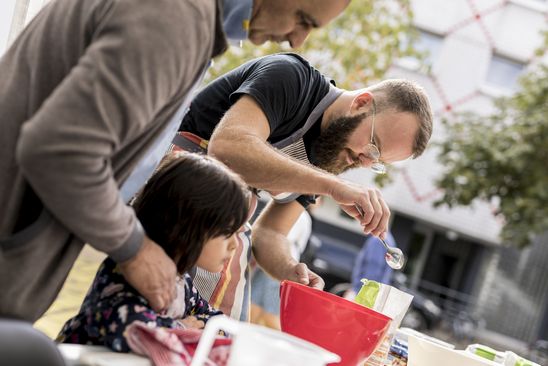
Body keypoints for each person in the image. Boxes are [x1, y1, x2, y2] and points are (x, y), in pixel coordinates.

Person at [0, 0, 351, 322]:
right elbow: (63, 151)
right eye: (302, 19)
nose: (298, 39)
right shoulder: (176, 17)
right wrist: (134, 247)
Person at [172, 53, 434, 320]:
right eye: (373, 147)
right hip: (163, 205)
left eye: (378, 162)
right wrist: (331, 185)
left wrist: (290, 270)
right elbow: (227, 147)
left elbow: (270, 233)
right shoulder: (290, 79)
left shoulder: (326, 156)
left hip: (210, 241)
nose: (365, 161)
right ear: (361, 104)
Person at [57, 153, 250, 352]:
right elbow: (129, 329)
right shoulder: (130, 271)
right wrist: (183, 329)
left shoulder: (181, 281)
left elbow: (217, 321)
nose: (235, 245)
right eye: (227, 233)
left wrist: (190, 329)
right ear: (185, 227)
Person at [250, 209, 313, 329]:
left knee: (271, 316)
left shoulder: (298, 214)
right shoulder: (300, 214)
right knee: (252, 310)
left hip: (279, 268)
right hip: (267, 266)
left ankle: (285, 343)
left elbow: (278, 238)